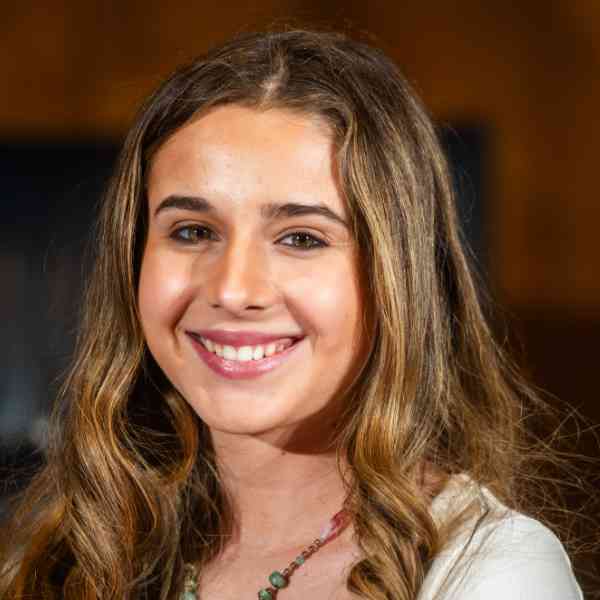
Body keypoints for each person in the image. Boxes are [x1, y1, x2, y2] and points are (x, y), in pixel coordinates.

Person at [0, 29, 585, 599]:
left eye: (301, 238)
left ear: (398, 278)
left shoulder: (494, 572)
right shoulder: (71, 553)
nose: (233, 289)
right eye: (193, 230)